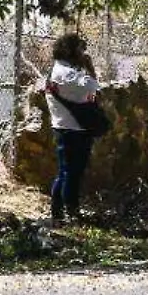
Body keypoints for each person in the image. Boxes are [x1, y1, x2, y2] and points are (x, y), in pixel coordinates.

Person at [42, 32, 101, 225]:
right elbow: (92, 86)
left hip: (68, 128)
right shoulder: (66, 73)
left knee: (66, 172)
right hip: (72, 130)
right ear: (70, 51)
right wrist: (89, 67)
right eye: (80, 49)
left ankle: (59, 213)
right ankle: (70, 212)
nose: (83, 53)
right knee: (71, 173)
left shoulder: (60, 70)